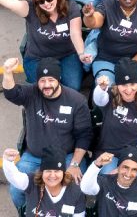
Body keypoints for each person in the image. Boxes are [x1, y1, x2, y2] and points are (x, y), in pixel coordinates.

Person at [1, 56, 91, 208]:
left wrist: (75, 164)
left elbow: (84, 135)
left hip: (67, 157)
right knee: (16, 190)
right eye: (42, 81)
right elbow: (11, 93)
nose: (46, 85)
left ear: (59, 78)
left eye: (51, 80)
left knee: (74, 188)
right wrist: (8, 72)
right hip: (34, 157)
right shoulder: (32, 93)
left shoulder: (76, 100)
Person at [2, 0, 85, 89]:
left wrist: (81, 53)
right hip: (38, 58)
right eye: (41, 1)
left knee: (72, 87)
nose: (46, 4)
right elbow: (10, 2)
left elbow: (75, 33)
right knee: (45, 90)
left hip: (67, 55)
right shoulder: (30, 9)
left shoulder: (70, 6)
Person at [91, 59, 137, 179]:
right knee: (110, 180)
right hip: (109, 152)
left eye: (132, 84)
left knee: (130, 179)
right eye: (123, 85)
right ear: (117, 85)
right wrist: (101, 88)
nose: (128, 90)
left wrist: (126, 165)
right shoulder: (112, 94)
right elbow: (99, 101)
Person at [2, 147, 86, 216]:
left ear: (64, 173)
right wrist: (8, 162)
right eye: (48, 171)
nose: (52, 175)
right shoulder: (32, 182)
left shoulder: (76, 191)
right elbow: (15, 178)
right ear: (41, 172)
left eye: (57, 171)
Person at [80, 147, 137, 217]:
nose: (128, 174)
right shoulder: (105, 181)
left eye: (134, 170)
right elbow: (85, 188)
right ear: (118, 167)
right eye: (125, 167)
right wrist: (97, 164)